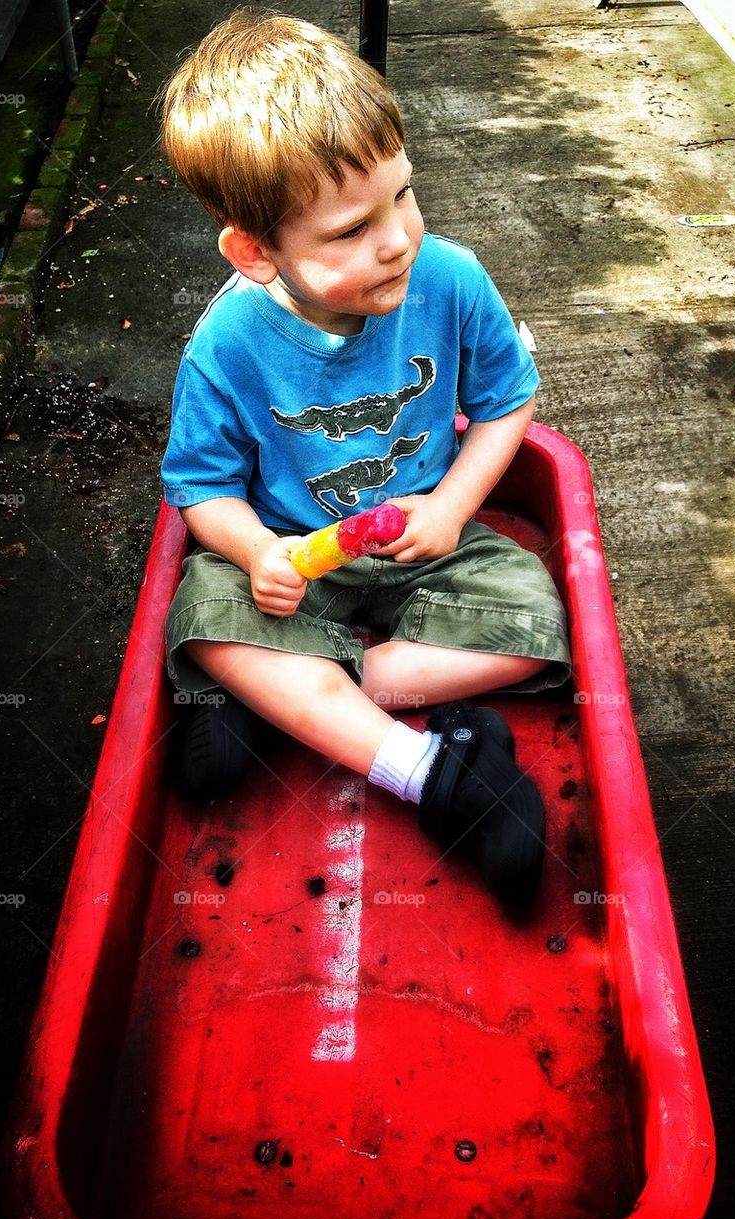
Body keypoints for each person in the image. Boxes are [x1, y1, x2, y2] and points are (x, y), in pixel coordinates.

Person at [157, 8, 571, 909]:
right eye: (349, 231)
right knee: (207, 610)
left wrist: (456, 506)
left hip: (427, 537)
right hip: (296, 552)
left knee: (539, 614)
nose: (396, 239)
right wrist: (258, 552)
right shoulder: (226, 347)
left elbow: (506, 404)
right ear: (256, 252)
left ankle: (302, 695)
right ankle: (435, 771)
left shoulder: (450, 279)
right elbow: (200, 490)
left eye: (403, 195)